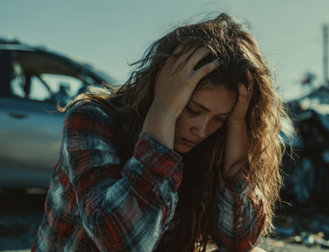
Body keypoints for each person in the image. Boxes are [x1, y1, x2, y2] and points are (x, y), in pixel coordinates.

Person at [32, 13, 286, 252]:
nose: (201, 130)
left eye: (219, 118)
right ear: (163, 87)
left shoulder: (212, 141)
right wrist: (163, 113)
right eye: (193, 109)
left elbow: (239, 241)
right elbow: (121, 244)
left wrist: (236, 128)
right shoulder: (93, 118)